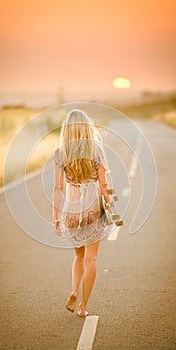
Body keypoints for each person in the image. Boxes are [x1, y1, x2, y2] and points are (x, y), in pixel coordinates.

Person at [52, 109, 115, 317]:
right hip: (92, 210)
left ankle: (73, 291)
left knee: (78, 255)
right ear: (87, 128)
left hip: (71, 210)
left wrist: (55, 216)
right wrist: (112, 206)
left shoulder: (61, 153)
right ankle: (82, 307)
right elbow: (104, 185)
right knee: (91, 259)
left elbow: (58, 188)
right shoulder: (96, 150)